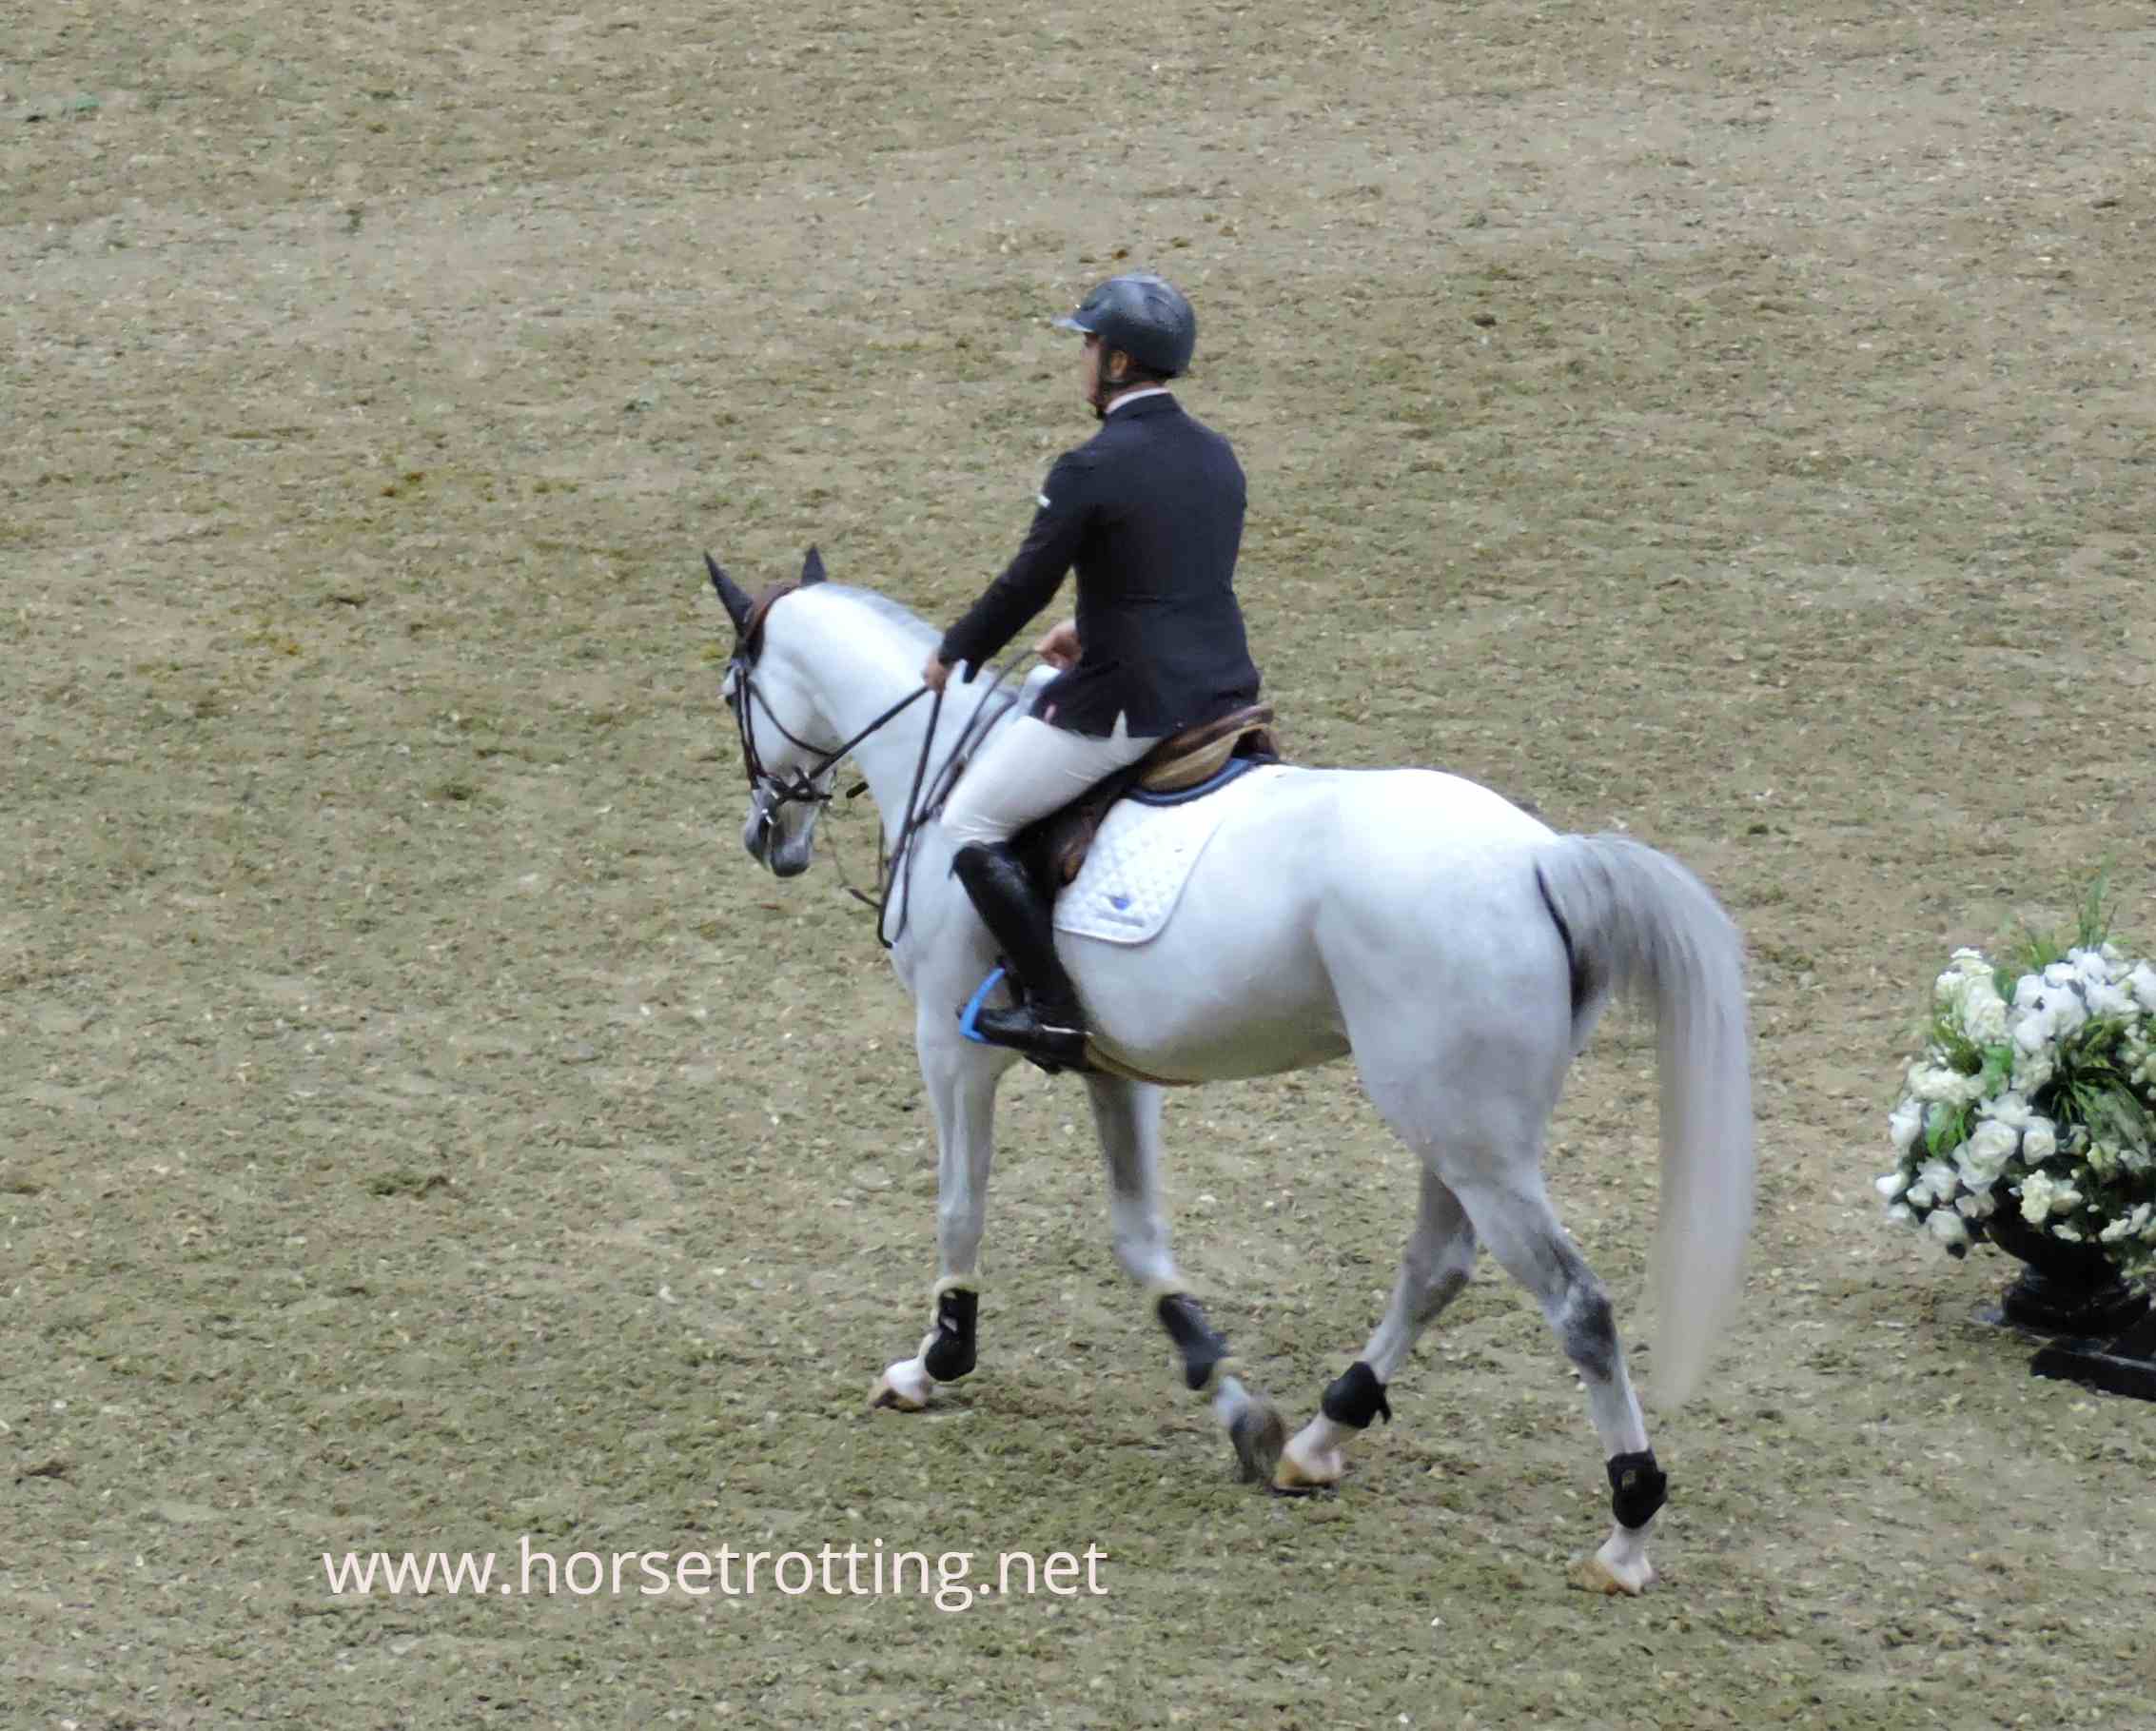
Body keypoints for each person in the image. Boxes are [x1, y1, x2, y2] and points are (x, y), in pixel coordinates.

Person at [921, 273, 1263, 1068]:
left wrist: (954, 653)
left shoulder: (1091, 466)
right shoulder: (1217, 455)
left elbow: (1024, 583)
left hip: (1131, 702)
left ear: (1114, 363)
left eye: (1087, 343)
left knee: (969, 821)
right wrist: (1093, 621)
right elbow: (1180, 574)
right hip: (1221, 691)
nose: (1080, 356)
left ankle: (1052, 1010)